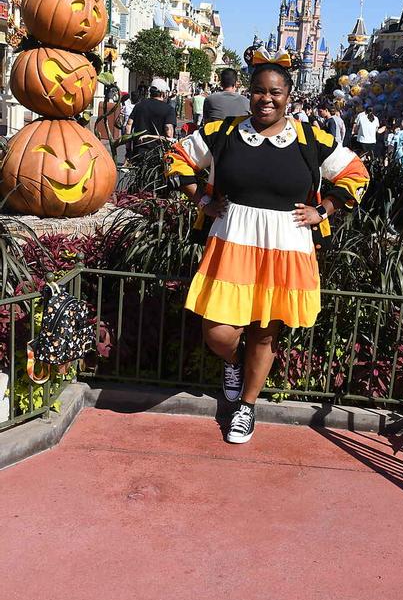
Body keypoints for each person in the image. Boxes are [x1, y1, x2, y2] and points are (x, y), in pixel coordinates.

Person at [163, 49, 369, 444]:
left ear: (288, 95)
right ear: (248, 93)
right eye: (259, 91)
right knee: (220, 332)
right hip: (232, 241)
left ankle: (246, 407)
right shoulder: (223, 133)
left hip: (287, 244)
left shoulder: (311, 138)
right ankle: (232, 363)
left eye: (275, 92)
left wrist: (323, 210)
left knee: (265, 332)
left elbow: (355, 173)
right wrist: (202, 200)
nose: (266, 99)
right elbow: (177, 157)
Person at [125, 78, 176, 157]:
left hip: (138, 152)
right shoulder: (169, 109)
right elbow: (169, 133)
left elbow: (128, 125)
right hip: (158, 155)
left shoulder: (139, 106)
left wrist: (128, 149)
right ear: (163, 93)